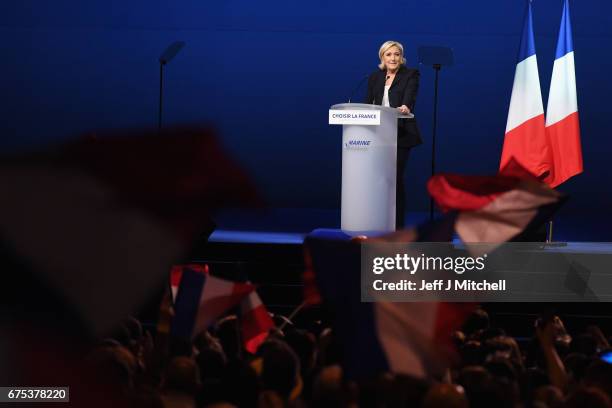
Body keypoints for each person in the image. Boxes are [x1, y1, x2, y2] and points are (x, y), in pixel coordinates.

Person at [366, 40, 422, 229]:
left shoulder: (410, 74)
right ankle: (377, 222)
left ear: (402, 57)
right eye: (389, 54)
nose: (393, 58)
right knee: (377, 180)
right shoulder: (375, 77)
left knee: (394, 179)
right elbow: (367, 104)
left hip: (401, 133)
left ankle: (397, 227)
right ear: (382, 57)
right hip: (376, 136)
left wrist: (406, 106)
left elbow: (410, 96)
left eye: (397, 54)